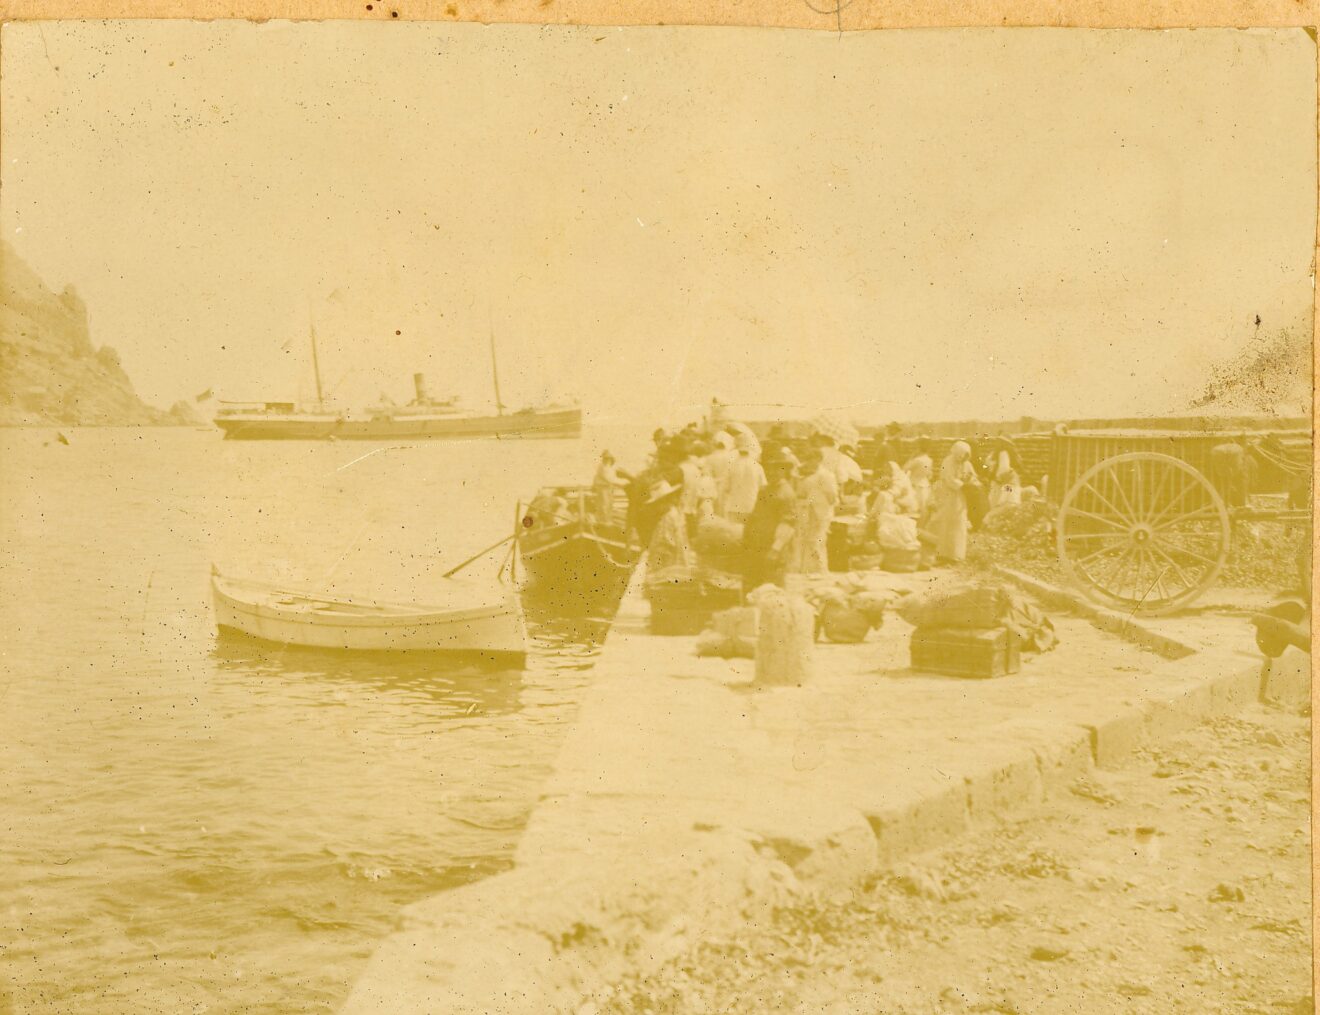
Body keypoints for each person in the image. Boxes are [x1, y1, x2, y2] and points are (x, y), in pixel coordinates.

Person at [740, 450, 799, 593]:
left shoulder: (786, 493)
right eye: (768, 468)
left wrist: (775, 549)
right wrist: (746, 537)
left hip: (772, 550)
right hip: (756, 546)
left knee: (772, 589)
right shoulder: (765, 490)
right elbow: (755, 515)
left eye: (776, 468)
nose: (772, 472)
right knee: (753, 587)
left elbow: (788, 524)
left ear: (783, 470)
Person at [931, 440, 979, 563]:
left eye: (965, 455)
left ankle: (956, 554)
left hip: (960, 496)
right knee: (946, 522)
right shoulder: (948, 461)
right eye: (961, 455)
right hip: (947, 494)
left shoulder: (966, 463)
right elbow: (948, 479)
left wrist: (971, 482)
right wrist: (962, 484)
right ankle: (942, 553)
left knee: (959, 522)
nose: (962, 458)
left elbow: (973, 476)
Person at [793, 447, 839, 574]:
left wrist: (820, 505)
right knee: (806, 541)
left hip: (821, 513)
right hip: (808, 512)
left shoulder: (826, 475)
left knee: (817, 541)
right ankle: (807, 569)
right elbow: (801, 493)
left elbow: (832, 497)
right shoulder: (808, 474)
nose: (808, 462)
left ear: (819, 460)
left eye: (811, 459)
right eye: (807, 459)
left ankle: (820, 569)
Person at [645, 475, 693, 573]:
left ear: (664, 501)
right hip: (678, 561)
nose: (656, 507)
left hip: (669, 565)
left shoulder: (667, 518)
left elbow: (665, 546)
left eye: (657, 504)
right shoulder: (674, 513)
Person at [724, 440, 767, 523]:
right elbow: (763, 487)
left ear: (738, 450)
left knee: (735, 533)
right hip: (751, 505)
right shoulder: (757, 467)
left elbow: (726, 488)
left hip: (734, 505)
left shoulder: (732, 466)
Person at [704, 432, 737, 515]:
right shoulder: (733, 457)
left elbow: (707, 475)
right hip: (730, 486)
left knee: (717, 509)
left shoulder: (710, 458)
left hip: (716, 485)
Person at [592, 450, 630, 523]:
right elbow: (610, 479)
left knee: (609, 504)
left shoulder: (610, 467)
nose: (608, 460)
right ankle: (604, 522)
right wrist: (624, 482)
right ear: (604, 459)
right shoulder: (603, 467)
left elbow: (613, 477)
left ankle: (608, 521)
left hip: (609, 488)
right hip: (603, 488)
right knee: (604, 505)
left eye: (609, 458)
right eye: (606, 458)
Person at [988, 439, 1023, 509]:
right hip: (1003, 484)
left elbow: (1003, 471)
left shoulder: (1003, 453)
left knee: (1004, 502)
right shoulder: (996, 454)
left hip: (1006, 483)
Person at [904, 439, 935, 519]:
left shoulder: (917, 460)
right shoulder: (929, 460)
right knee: (923, 508)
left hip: (914, 485)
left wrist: (911, 457)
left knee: (912, 508)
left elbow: (904, 469)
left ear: (919, 448)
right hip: (925, 485)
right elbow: (929, 475)